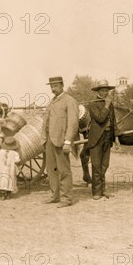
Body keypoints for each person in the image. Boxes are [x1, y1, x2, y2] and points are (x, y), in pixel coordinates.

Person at [40, 76, 79, 208]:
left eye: (55, 85)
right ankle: (54, 196)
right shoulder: (51, 102)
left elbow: (73, 123)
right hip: (50, 140)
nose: (53, 88)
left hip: (61, 140)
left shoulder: (70, 101)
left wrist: (68, 141)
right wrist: (44, 140)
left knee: (64, 170)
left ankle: (66, 199)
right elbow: (45, 122)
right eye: (51, 86)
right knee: (51, 170)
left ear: (62, 85)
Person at [86, 79, 119, 200]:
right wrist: (106, 105)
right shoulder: (93, 103)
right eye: (103, 90)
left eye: (107, 90)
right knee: (96, 165)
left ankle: (103, 189)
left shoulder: (109, 103)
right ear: (98, 91)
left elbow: (113, 121)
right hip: (96, 138)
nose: (105, 92)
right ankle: (96, 192)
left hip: (107, 137)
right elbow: (100, 119)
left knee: (105, 165)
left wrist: (116, 138)